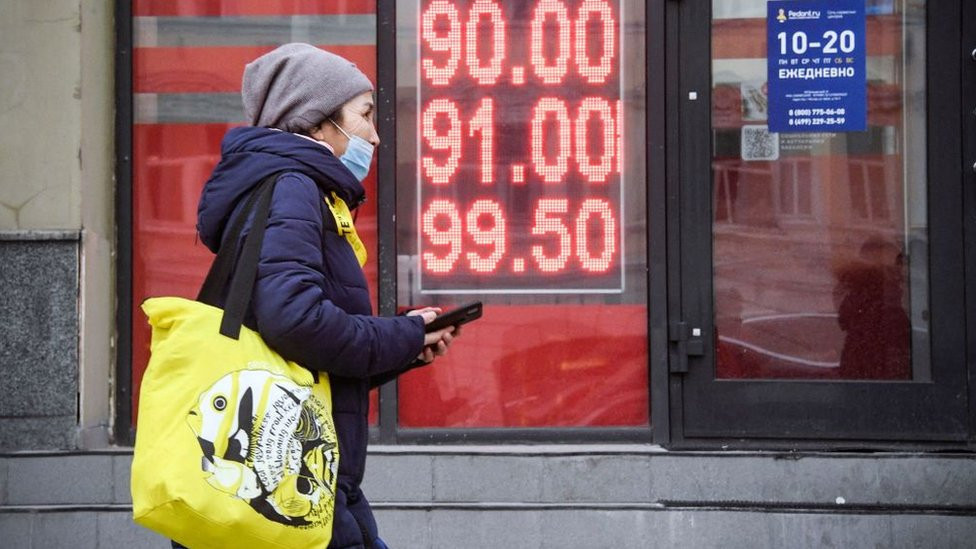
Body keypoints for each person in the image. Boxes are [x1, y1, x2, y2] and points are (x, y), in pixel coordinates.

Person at [190, 43, 457, 549]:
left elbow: (305, 360)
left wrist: (407, 342)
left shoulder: (293, 188)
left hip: (308, 480)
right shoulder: (293, 186)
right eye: (364, 115)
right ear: (317, 124)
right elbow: (294, 321)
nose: (375, 135)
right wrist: (401, 332)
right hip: (298, 484)